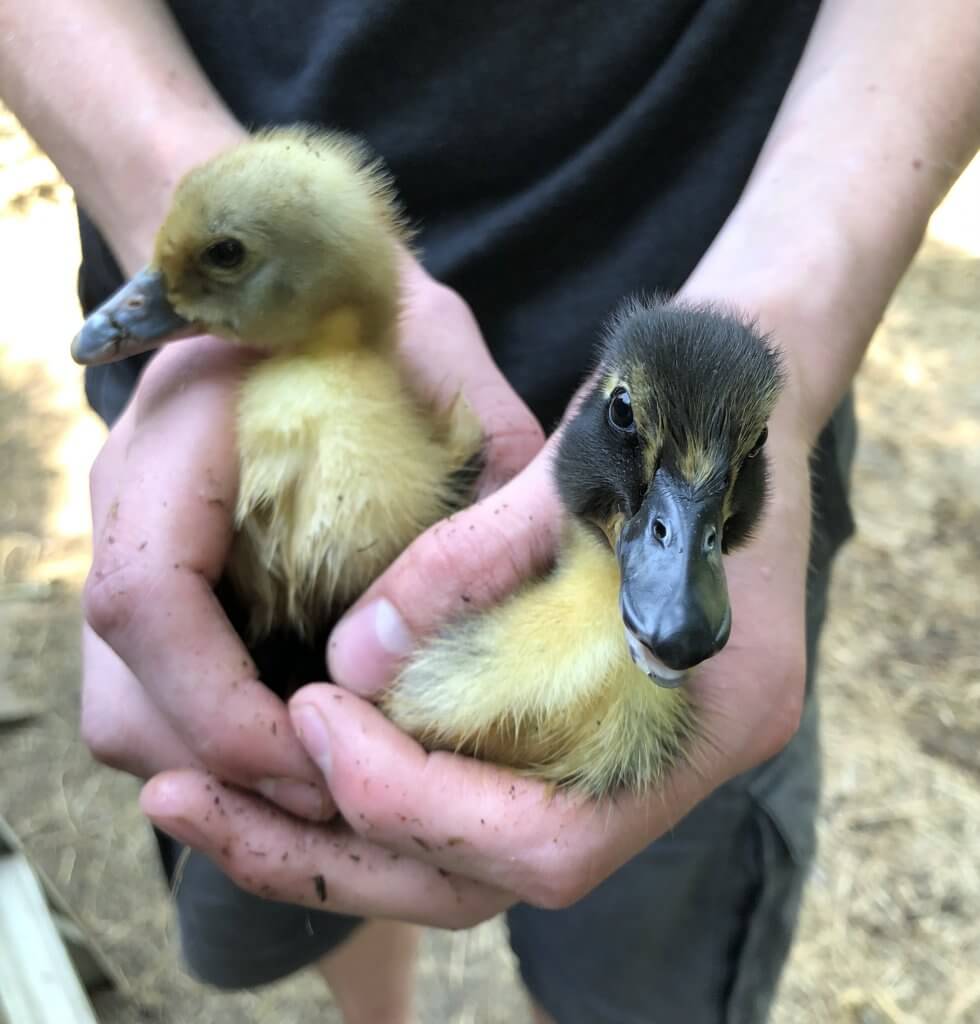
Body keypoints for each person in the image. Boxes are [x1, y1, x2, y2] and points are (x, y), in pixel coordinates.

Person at [1, 2, 977, 1021]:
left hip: (724, 265)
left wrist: (801, 300)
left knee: (636, 953)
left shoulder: (666, 571)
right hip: (233, 376)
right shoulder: (284, 361)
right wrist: (149, 167)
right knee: (298, 837)